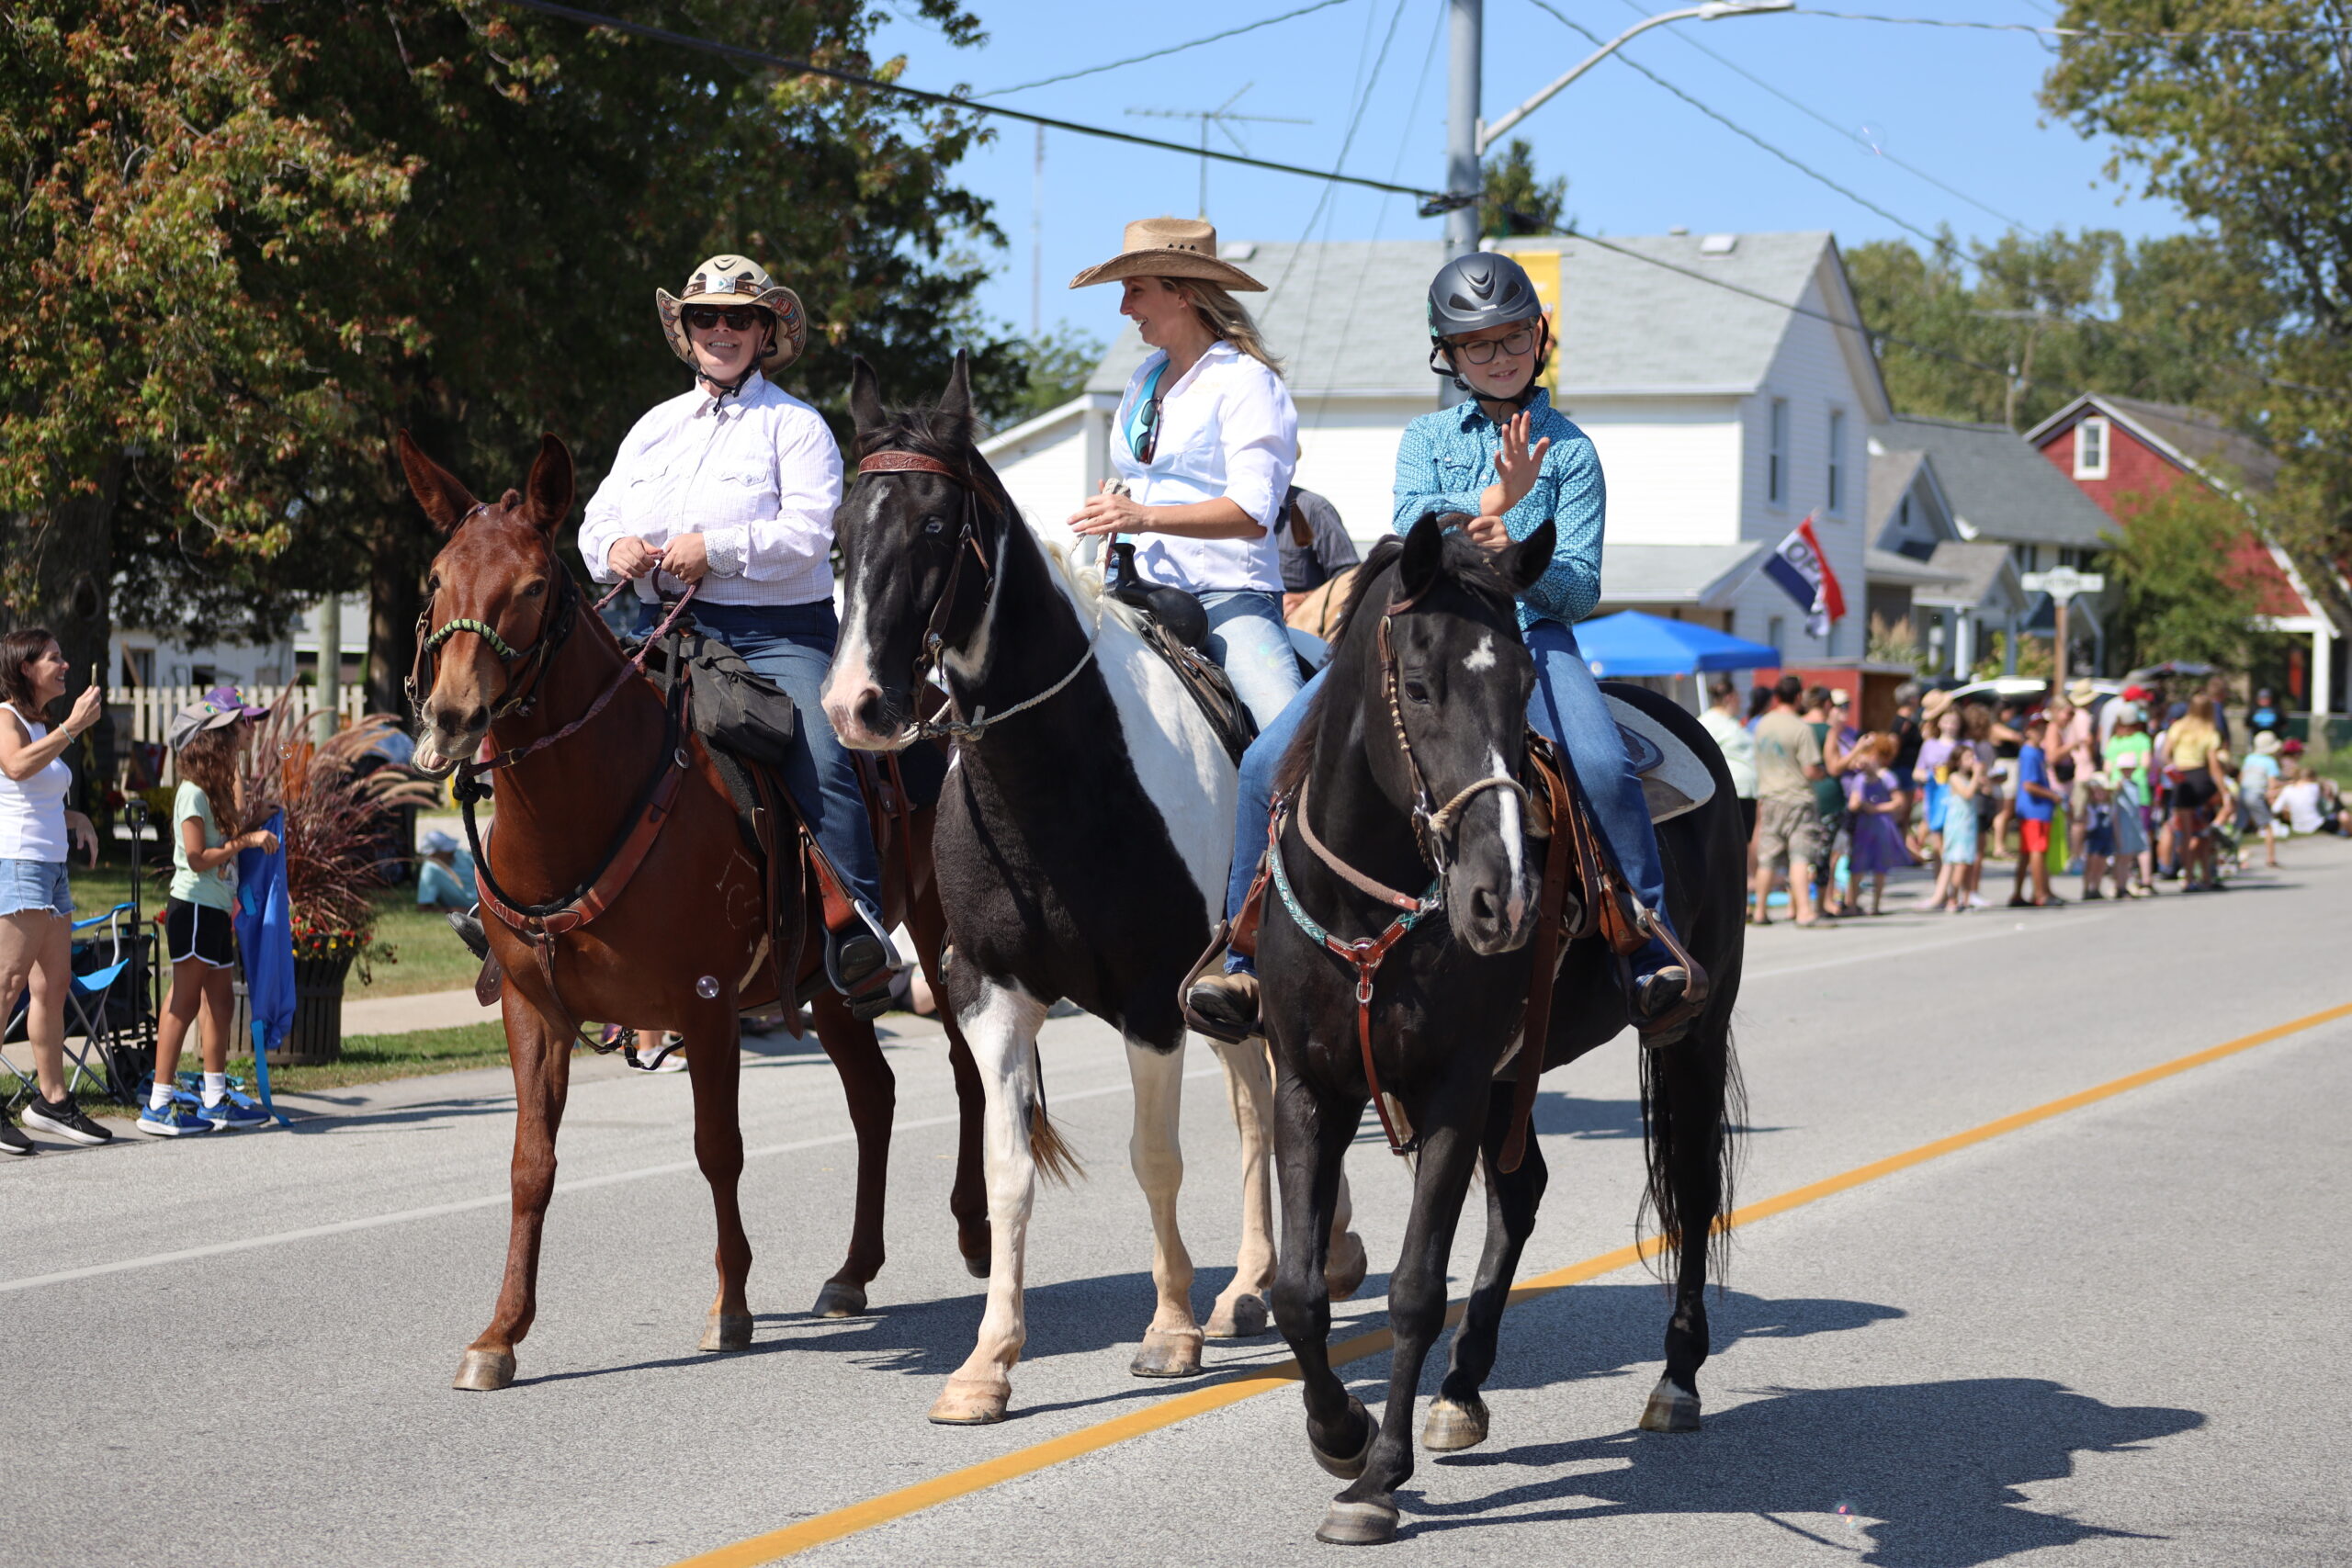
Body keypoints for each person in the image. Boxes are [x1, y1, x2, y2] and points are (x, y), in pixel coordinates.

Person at [1187, 250, 1699, 1036]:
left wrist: (1518, 567)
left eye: (1513, 338)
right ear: (1450, 355)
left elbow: (1580, 584)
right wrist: (1493, 504)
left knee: (1598, 760)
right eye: (1478, 345)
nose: (1499, 357)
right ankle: (1244, 952)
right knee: (1264, 762)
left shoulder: (1573, 452)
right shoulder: (1424, 439)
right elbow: (1409, 535)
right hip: (1423, 641)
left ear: (1540, 336)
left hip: (1529, 635)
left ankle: (1644, 938)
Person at [579, 253, 896, 1010]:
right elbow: (597, 521)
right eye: (704, 317)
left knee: (820, 751)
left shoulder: (799, 426)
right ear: (685, 331)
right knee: (572, 724)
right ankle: (521, 911)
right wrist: (612, 550)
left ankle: (860, 929)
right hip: (666, 629)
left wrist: (715, 550)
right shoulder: (653, 428)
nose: (721, 329)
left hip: (775, 636)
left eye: (738, 317)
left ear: (765, 330)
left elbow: (811, 535)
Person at [1066, 218, 1303, 732]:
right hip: (1129, 589)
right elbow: (1141, 479)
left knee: (1286, 737)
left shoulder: (1247, 382)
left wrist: (1141, 516)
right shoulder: (1144, 376)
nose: (1124, 307)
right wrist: (1118, 501)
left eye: (1135, 290)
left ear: (1182, 294)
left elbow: (1250, 514)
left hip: (1225, 597)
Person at [140, 691, 279, 1135]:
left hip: (215, 909)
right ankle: (159, 1102)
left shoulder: (216, 789)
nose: (249, 732)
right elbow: (198, 858)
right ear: (212, 739)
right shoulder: (191, 794)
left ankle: (216, 1097)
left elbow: (234, 823)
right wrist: (247, 842)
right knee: (183, 1002)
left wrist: (256, 816)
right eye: (239, 727)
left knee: (220, 1002)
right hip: (194, 908)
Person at [0, 628, 110, 1155]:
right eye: (54, 658)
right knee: (8, 983)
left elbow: (36, 794)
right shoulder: (5, 718)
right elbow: (16, 768)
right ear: (26, 667)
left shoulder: (42, 724)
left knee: (53, 985)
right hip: (19, 865)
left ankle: (51, 1101)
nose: (65, 665)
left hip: (53, 867)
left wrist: (77, 816)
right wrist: (72, 727)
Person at [1752, 675, 1827, 929]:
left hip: (1769, 797)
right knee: (1799, 855)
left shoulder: (1763, 724)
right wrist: (1824, 772)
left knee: (1768, 858)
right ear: (1798, 697)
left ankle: (1760, 911)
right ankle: (1804, 912)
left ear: (1776, 697)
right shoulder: (1800, 728)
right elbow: (1810, 770)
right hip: (1797, 799)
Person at [2162, 694, 2230, 891]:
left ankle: (2188, 877)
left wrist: (2172, 769)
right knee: (2203, 832)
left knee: (2184, 833)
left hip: (2182, 779)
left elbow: (2165, 754)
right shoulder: (2210, 731)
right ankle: (2206, 876)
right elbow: (2214, 766)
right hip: (2201, 778)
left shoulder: (2178, 727)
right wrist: (2224, 790)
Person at [1276, 482, 1361, 633]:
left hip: (1304, 630)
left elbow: (1351, 577)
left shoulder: (1314, 509)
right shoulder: (1232, 508)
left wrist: (1305, 599)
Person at [1841, 732, 1909, 916]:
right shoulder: (1859, 779)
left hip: (1881, 826)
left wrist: (1877, 808)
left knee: (1880, 866)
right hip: (1863, 828)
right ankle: (1852, 903)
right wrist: (1859, 803)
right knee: (1857, 866)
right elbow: (1854, 803)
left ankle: (1876, 905)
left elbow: (1899, 801)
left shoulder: (1887, 777)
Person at [1804, 687, 1855, 917]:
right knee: (1825, 854)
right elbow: (1834, 766)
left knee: (1802, 853)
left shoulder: (1798, 726)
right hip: (1827, 796)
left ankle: (1797, 905)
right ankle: (1822, 905)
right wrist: (1857, 751)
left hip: (1802, 792)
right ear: (1826, 705)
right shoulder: (1828, 730)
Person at [2102, 702, 2156, 897]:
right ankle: (2144, 879)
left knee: (2126, 840)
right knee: (2139, 838)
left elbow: (2108, 768)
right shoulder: (2141, 739)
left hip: (2122, 793)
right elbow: (2146, 764)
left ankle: (2125, 880)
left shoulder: (2114, 741)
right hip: (2134, 793)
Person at [2008, 715, 2063, 908]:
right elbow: (2029, 785)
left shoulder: (2038, 752)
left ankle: (2021, 893)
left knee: (2028, 854)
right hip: (2033, 810)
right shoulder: (2030, 752)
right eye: (2036, 728)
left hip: (2039, 810)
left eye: (2043, 728)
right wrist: (2051, 795)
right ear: (2028, 731)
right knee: (2036, 852)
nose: (2041, 732)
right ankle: (2040, 893)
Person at [1927, 741, 1983, 913]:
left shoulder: (1968, 777)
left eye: (1973, 757)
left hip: (1969, 823)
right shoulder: (1954, 777)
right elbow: (1968, 794)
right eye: (1967, 757)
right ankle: (1952, 898)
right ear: (1957, 761)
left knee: (1967, 861)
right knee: (1959, 862)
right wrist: (1978, 774)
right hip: (1958, 825)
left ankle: (1965, 898)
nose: (1972, 760)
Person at [2239, 730, 2284, 870]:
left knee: (2238, 827)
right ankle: (2271, 858)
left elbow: (2242, 777)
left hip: (2242, 793)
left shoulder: (2249, 758)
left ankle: (2234, 856)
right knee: (2267, 826)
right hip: (2256, 795)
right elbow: (2272, 784)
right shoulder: (2270, 762)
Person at [415, 828, 476, 909]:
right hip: (473, 907)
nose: (451, 852)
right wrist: (452, 910)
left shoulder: (460, 853)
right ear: (433, 854)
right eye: (447, 850)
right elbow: (423, 907)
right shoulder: (430, 869)